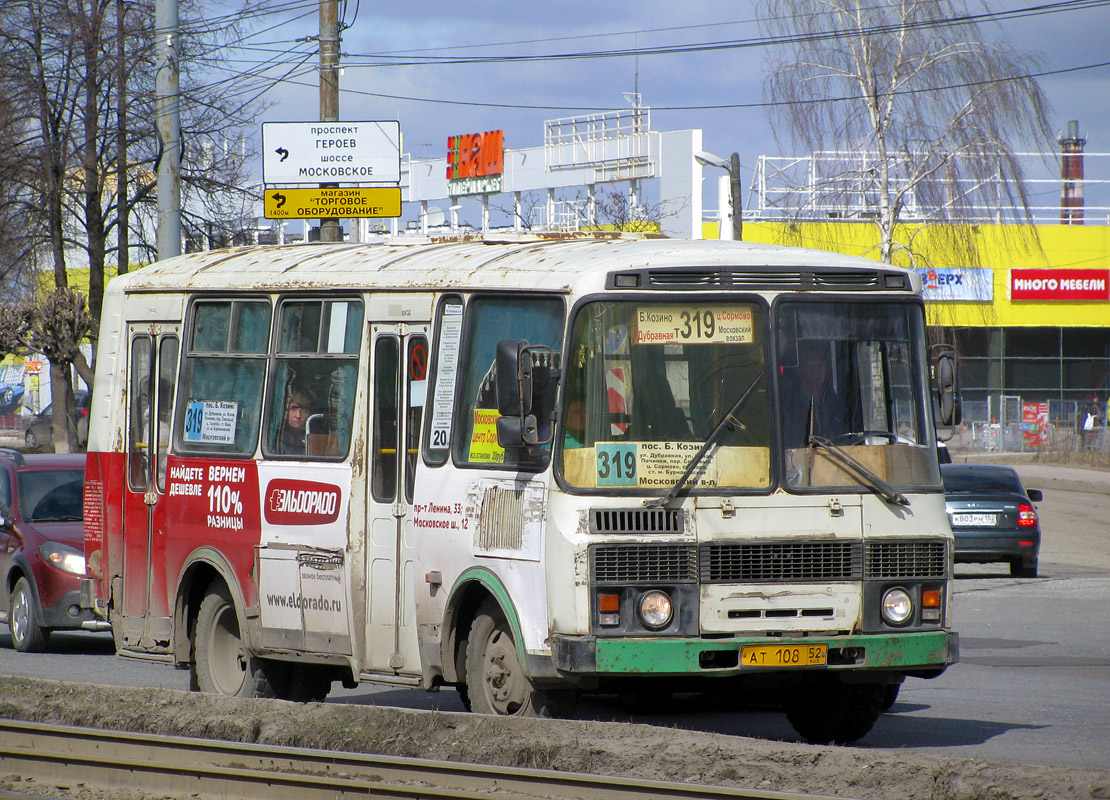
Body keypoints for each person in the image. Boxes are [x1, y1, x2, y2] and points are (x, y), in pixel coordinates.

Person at [781, 340, 851, 448]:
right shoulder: (789, 404)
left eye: (823, 363)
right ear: (798, 369)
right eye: (813, 363)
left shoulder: (837, 402)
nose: (820, 369)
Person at [277, 384, 316, 455]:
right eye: (293, 408)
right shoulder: (277, 441)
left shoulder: (317, 439)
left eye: (304, 410)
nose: (298, 416)